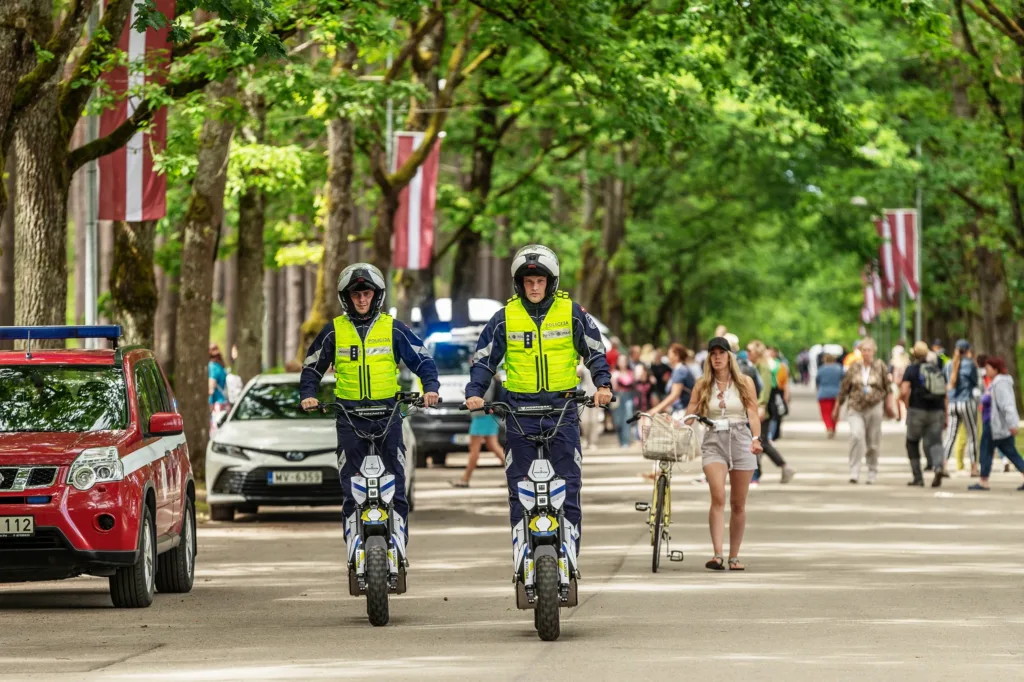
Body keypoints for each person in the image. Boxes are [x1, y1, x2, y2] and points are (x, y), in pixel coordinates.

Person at [464, 244, 612, 586]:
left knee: (569, 486)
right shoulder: (504, 317)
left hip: (562, 410)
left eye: (540, 281)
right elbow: (484, 360)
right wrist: (475, 392)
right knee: (519, 488)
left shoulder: (572, 312)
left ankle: (569, 555)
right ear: (519, 283)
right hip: (520, 413)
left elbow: (594, 351)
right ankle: (523, 557)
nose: (534, 287)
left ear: (551, 281)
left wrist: (602, 384)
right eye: (528, 281)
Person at [299, 263, 440, 575]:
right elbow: (311, 367)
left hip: (388, 416)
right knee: (352, 488)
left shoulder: (393, 328)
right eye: (356, 295)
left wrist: (430, 388)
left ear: (377, 295)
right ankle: (354, 547)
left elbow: (423, 359)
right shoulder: (334, 330)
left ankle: (398, 544)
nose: (362, 299)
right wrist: (308, 394)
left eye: (367, 294)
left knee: (396, 485)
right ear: (346, 298)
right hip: (349, 418)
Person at [683, 337, 762, 571]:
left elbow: (753, 413)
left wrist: (756, 439)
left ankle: (733, 556)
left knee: (738, 503)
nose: (717, 357)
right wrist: (677, 425)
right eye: (713, 354)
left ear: (729, 356)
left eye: (721, 353)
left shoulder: (745, 382)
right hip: (713, 439)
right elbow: (691, 412)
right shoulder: (702, 384)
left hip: (741, 439)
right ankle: (717, 554)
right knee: (718, 496)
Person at [834, 337, 888, 484]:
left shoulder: (880, 366)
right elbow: (844, 387)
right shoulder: (854, 367)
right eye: (864, 350)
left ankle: (872, 470)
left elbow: (887, 388)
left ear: (874, 351)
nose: (866, 353)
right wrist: (837, 406)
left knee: (873, 442)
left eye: (869, 350)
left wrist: (889, 407)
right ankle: (854, 470)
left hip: (874, 406)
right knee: (856, 436)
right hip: (855, 406)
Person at [968, 356, 1024, 490]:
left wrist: (1012, 424)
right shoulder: (995, 383)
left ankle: (984, 480)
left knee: (987, 452)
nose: (986, 371)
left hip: (996, 425)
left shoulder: (1000, 384)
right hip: (994, 424)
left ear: (996, 369)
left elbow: (1007, 405)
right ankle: (984, 479)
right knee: (1008, 452)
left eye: (988, 369)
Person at [747, 340, 795, 485]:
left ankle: (759, 473)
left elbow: (765, 388)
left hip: (763, 409)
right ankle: (780, 468)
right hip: (759, 408)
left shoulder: (763, 367)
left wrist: (761, 406)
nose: (748, 353)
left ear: (757, 352)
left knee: (760, 441)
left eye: (750, 351)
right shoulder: (757, 366)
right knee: (761, 441)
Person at [900, 341, 948, 487]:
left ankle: (918, 478)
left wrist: (907, 406)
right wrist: (945, 413)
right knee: (936, 441)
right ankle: (938, 467)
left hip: (917, 410)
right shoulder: (936, 369)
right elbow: (945, 393)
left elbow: (904, 391)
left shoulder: (911, 370)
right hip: (937, 410)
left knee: (912, 442)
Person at [450, 374, 504, 488]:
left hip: (482, 417)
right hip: (488, 416)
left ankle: (465, 479)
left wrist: (471, 396)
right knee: (493, 446)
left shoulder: (485, 378)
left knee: (474, 448)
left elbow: (484, 399)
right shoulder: (491, 378)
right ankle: (514, 474)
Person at [942, 339, 980, 478]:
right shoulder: (970, 364)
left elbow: (946, 383)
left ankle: (943, 465)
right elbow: (975, 383)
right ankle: (974, 467)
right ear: (968, 350)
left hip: (952, 403)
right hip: (966, 402)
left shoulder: (948, 365)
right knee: (972, 435)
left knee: (950, 436)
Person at [611, 355, 636, 447]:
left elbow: (634, 385)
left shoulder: (631, 373)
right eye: (620, 360)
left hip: (628, 397)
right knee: (617, 420)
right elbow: (613, 388)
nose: (622, 362)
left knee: (627, 417)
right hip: (617, 397)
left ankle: (626, 441)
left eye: (624, 360)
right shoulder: (614, 373)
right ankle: (621, 440)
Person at [816, 353, 843, 438]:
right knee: (835, 413)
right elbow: (844, 379)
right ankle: (833, 428)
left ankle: (829, 427)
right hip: (836, 393)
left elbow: (817, 381)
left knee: (826, 413)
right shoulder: (839, 368)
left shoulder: (821, 369)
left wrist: (818, 390)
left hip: (823, 393)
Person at [208, 344, 230, 430]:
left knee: (215, 431)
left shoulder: (212, 366)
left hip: (216, 406)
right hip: (224, 404)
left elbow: (211, 389)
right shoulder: (221, 366)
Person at [889, 344, 910, 422]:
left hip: (900, 383)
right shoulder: (906, 361)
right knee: (902, 400)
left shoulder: (895, 362)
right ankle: (901, 416)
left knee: (899, 399)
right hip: (903, 383)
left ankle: (901, 416)